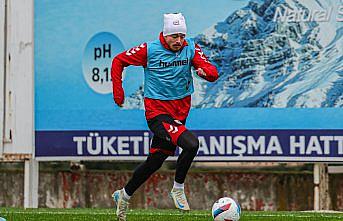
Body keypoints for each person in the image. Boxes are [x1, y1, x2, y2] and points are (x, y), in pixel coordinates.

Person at [111, 12, 218, 221]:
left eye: (181, 36)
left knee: (156, 160)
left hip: (179, 113)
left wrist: (207, 72)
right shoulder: (149, 49)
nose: (178, 41)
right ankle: (178, 188)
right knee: (191, 144)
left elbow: (211, 69)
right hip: (157, 113)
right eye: (174, 36)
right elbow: (118, 61)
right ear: (165, 34)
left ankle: (123, 195)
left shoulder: (191, 47)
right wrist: (118, 90)